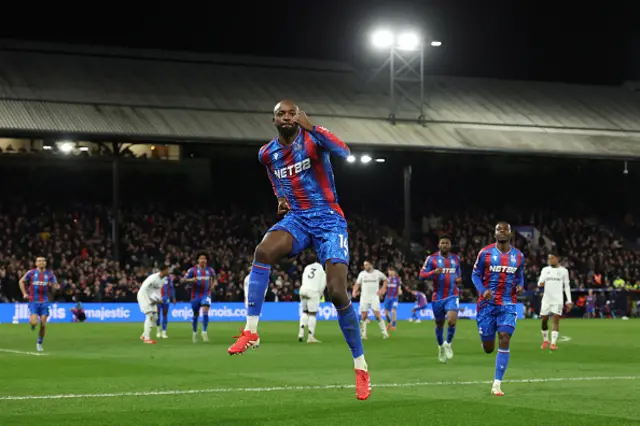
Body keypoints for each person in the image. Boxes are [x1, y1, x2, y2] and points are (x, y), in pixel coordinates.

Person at [227, 99, 371, 401]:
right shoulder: (267, 153)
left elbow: (345, 152)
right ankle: (251, 331)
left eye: (293, 113)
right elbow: (273, 175)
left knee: (337, 292)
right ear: (274, 120)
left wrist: (313, 127)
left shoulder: (313, 139)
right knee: (263, 252)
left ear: (299, 117)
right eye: (282, 114)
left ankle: (360, 367)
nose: (288, 117)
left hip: (329, 218)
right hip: (298, 218)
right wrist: (280, 195)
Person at [471, 222, 525, 396]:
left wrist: (520, 285)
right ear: (494, 234)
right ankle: (486, 339)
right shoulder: (485, 253)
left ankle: (497, 383)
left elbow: (520, 275)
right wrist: (482, 290)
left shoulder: (518, 256)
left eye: (505, 230)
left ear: (510, 233)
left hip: (508, 303)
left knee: (504, 337)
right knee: (488, 347)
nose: (502, 232)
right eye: (498, 230)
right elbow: (475, 275)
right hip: (486, 305)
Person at [419, 236, 462, 363]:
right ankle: (440, 347)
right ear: (438, 245)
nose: (444, 245)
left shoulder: (456, 259)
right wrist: (433, 272)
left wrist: (459, 280)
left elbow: (458, 275)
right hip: (437, 297)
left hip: (452, 294)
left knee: (452, 320)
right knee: (439, 324)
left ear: (450, 245)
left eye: (447, 243)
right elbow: (421, 275)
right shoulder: (431, 259)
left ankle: (448, 343)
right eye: (442, 243)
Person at [19, 256, 57, 352]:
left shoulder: (49, 274)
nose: (41, 262)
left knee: (43, 324)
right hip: (33, 302)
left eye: (43, 261)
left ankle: (39, 343)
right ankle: (32, 324)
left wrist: (56, 286)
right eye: (39, 261)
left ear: (45, 263)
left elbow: (55, 283)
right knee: (34, 322)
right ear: (36, 263)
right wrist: (24, 293)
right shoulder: (31, 273)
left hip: (44, 302)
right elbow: (21, 281)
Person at [537, 253, 572, 350]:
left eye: (552, 258)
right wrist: (540, 283)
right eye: (549, 258)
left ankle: (553, 343)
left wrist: (569, 300)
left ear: (557, 258)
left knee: (556, 320)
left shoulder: (564, 271)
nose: (550, 260)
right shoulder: (545, 270)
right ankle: (545, 340)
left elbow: (567, 286)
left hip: (557, 299)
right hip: (546, 299)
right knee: (544, 320)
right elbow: (539, 282)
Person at [184, 254, 217, 343]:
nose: (203, 260)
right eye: (201, 258)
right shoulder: (192, 270)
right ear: (198, 260)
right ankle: (194, 333)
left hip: (206, 294)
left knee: (205, 311)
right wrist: (191, 280)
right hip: (195, 295)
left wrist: (213, 285)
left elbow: (214, 278)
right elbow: (184, 279)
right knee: (195, 315)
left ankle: (204, 332)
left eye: (204, 259)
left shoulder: (210, 270)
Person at [353, 261, 389, 340]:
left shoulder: (377, 273)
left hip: (374, 297)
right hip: (364, 297)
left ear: (371, 265)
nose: (365, 266)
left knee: (377, 315)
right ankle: (363, 335)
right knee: (363, 316)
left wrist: (383, 289)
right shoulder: (362, 274)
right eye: (364, 265)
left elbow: (386, 280)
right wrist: (354, 291)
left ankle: (385, 333)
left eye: (366, 265)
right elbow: (357, 284)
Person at [137, 265, 171, 344]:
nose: (168, 272)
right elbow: (144, 289)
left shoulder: (164, 279)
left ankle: (144, 334)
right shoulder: (153, 278)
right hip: (143, 296)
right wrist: (150, 300)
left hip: (152, 297)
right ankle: (147, 338)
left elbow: (157, 290)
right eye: (167, 270)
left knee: (155, 317)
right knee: (150, 316)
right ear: (163, 270)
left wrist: (159, 299)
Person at [298, 256, 326, 343]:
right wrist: (321, 294)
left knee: (305, 311)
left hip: (303, 290)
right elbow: (323, 284)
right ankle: (310, 337)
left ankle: (301, 333)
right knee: (312, 314)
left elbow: (303, 279)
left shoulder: (307, 267)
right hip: (313, 291)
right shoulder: (322, 269)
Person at [156, 272, 177, 339]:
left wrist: (173, 297)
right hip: (158, 299)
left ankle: (164, 332)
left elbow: (171, 288)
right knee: (157, 315)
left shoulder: (168, 278)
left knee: (165, 315)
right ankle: (158, 331)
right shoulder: (156, 278)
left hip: (166, 299)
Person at [383, 267, 402, 331]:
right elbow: (384, 288)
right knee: (386, 313)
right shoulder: (386, 279)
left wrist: (400, 291)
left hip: (394, 298)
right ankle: (389, 323)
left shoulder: (397, 280)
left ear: (394, 272)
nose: (389, 272)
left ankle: (394, 325)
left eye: (391, 271)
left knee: (393, 311)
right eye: (389, 271)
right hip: (387, 298)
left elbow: (399, 288)